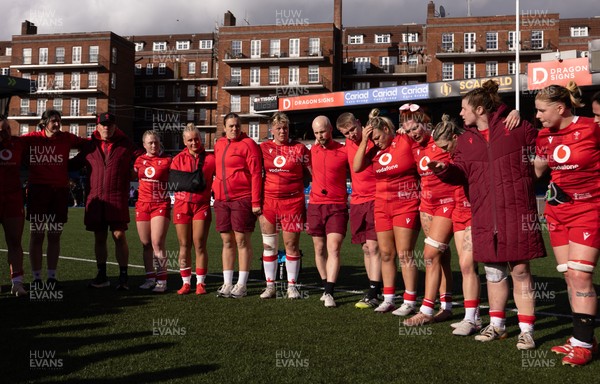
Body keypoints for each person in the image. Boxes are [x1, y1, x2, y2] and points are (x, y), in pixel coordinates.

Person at [428, 80, 546, 350]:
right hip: (484, 216)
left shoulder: (514, 127)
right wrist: (442, 170)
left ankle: (527, 330)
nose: (460, 113)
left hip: (516, 212)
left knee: (519, 271)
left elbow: (547, 141)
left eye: (464, 108)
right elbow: (460, 173)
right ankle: (497, 325)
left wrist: (537, 169)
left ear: (479, 109)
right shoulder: (466, 140)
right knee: (493, 273)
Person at [533, 82, 599, 366]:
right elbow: (535, 170)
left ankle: (583, 344)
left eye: (541, 110)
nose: (537, 116)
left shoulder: (592, 128)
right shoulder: (543, 136)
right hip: (557, 212)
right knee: (570, 277)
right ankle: (581, 338)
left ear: (560, 108)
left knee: (581, 275)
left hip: (588, 210)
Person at [353, 109, 421, 314]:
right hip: (382, 206)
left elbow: (424, 134)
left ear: (386, 129)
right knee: (386, 254)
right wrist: (365, 141)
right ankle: (389, 298)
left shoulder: (404, 140)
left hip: (406, 204)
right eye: (373, 138)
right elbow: (356, 167)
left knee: (405, 254)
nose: (377, 141)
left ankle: (410, 301)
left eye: (378, 137)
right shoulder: (373, 150)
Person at [402, 104, 458, 326]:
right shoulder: (414, 145)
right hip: (427, 205)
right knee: (441, 256)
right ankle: (447, 307)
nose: (412, 133)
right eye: (408, 131)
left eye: (415, 127)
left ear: (426, 123)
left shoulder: (442, 137)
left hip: (449, 202)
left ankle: (426, 309)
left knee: (430, 255)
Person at [73, 112, 141, 290]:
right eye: (103, 124)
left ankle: (123, 277)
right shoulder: (89, 146)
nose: (106, 127)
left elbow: (143, 159)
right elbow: (72, 165)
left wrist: (137, 169)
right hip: (96, 198)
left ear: (115, 127)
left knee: (119, 236)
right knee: (100, 237)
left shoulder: (125, 144)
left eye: (110, 125)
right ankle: (102, 275)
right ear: (97, 126)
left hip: (117, 197)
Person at [24, 109, 86, 289]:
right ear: (44, 123)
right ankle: (36, 278)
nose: (57, 124)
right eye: (53, 121)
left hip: (59, 192)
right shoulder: (32, 138)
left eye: (59, 121)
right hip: (38, 192)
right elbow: (12, 145)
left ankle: (51, 276)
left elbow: (88, 144)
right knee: (36, 234)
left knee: (54, 234)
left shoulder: (67, 138)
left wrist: (74, 163)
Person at [432, 115, 481, 336]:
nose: (444, 151)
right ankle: (473, 316)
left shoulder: (471, 146)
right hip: (459, 211)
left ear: (454, 137)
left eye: (445, 146)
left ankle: (472, 319)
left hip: (474, 210)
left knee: (468, 265)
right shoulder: (454, 153)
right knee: (465, 266)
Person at [259, 112, 311, 299]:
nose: (282, 131)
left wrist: (299, 186)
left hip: (293, 203)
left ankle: (292, 286)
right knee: (269, 246)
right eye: (279, 128)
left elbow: (310, 173)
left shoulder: (300, 149)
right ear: (272, 129)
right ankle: (270, 286)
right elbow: (257, 175)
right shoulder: (263, 148)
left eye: (285, 128)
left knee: (291, 245)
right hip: (269, 202)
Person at [213, 113, 262, 298]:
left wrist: (256, 201)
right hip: (222, 200)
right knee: (226, 241)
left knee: (242, 241)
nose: (234, 129)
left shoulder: (249, 144)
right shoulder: (218, 144)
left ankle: (241, 284)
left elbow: (257, 173)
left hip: (242, 198)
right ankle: (227, 283)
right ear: (224, 127)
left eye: (237, 125)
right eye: (231, 126)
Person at [336, 112, 381, 309]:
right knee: (365, 247)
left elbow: (357, 167)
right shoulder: (347, 144)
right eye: (346, 133)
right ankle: (374, 286)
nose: (351, 135)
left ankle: (374, 290)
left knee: (374, 247)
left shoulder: (374, 139)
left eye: (353, 129)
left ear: (359, 124)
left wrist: (366, 138)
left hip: (375, 198)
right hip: (357, 200)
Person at [308, 116, 349, 308]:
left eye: (322, 131)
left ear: (331, 128)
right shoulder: (311, 150)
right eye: (316, 133)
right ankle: (326, 286)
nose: (320, 136)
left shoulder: (344, 150)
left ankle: (330, 291)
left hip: (337, 205)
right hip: (315, 205)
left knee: (333, 247)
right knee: (319, 249)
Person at [171, 124, 215, 295]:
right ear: (184, 141)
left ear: (200, 138)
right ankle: (186, 282)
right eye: (190, 140)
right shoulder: (177, 159)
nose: (194, 142)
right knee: (184, 245)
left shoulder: (211, 159)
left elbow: (221, 177)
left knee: (199, 244)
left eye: (196, 139)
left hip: (201, 205)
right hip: (182, 205)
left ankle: (201, 283)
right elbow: (174, 183)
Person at [133, 130, 172, 293]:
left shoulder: (168, 160)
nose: (154, 145)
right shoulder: (138, 161)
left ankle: (162, 280)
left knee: (157, 242)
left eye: (156, 142)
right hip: (142, 205)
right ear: (144, 145)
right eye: (150, 143)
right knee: (146, 244)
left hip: (160, 204)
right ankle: (149, 278)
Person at [0, 115, 27, 296]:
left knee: (15, 241)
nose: (6, 133)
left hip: (13, 201)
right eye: (1, 130)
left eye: (8, 128)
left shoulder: (18, 143)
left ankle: (17, 282)